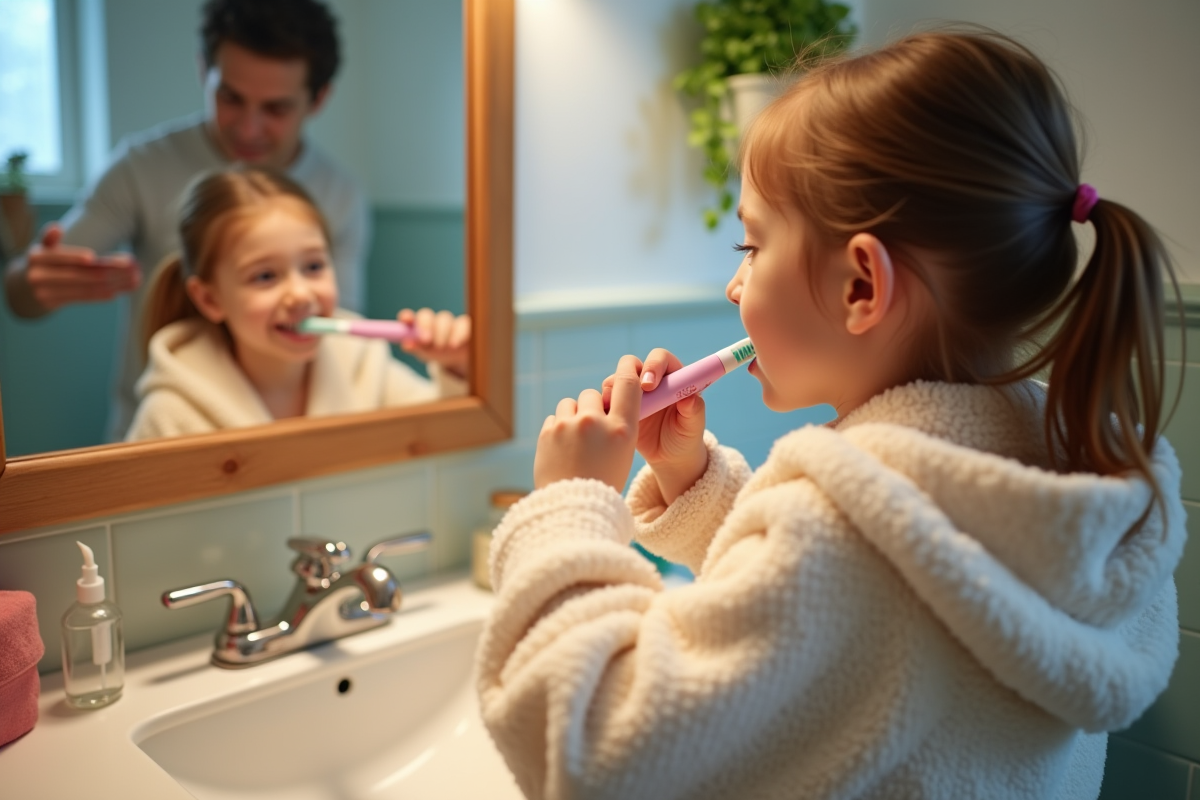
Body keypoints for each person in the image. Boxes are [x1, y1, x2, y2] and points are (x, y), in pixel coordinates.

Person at [476, 28, 1187, 800]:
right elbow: (844, 622)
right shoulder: (1074, 470)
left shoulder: (841, 524)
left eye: (751, 246)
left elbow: (593, 752)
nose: (734, 288)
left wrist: (565, 510)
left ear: (861, 287)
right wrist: (692, 481)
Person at [4, 0, 368, 441]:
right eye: (231, 98)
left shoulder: (340, 194)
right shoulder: (141, 167)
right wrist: (31, 280)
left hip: (280, 450)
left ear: (319, 98)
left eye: (275, 109)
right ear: (203, 70)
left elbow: (334, 336)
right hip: (160, 440)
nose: (249, 129)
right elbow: (24, 298)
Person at [125, 167, 467, 441]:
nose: (301, 295)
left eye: (314, 266)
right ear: (210, 299)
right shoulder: (171, 415)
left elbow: (449, 439)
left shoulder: (363, 365)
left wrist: (457, 367)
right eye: (265, 277)